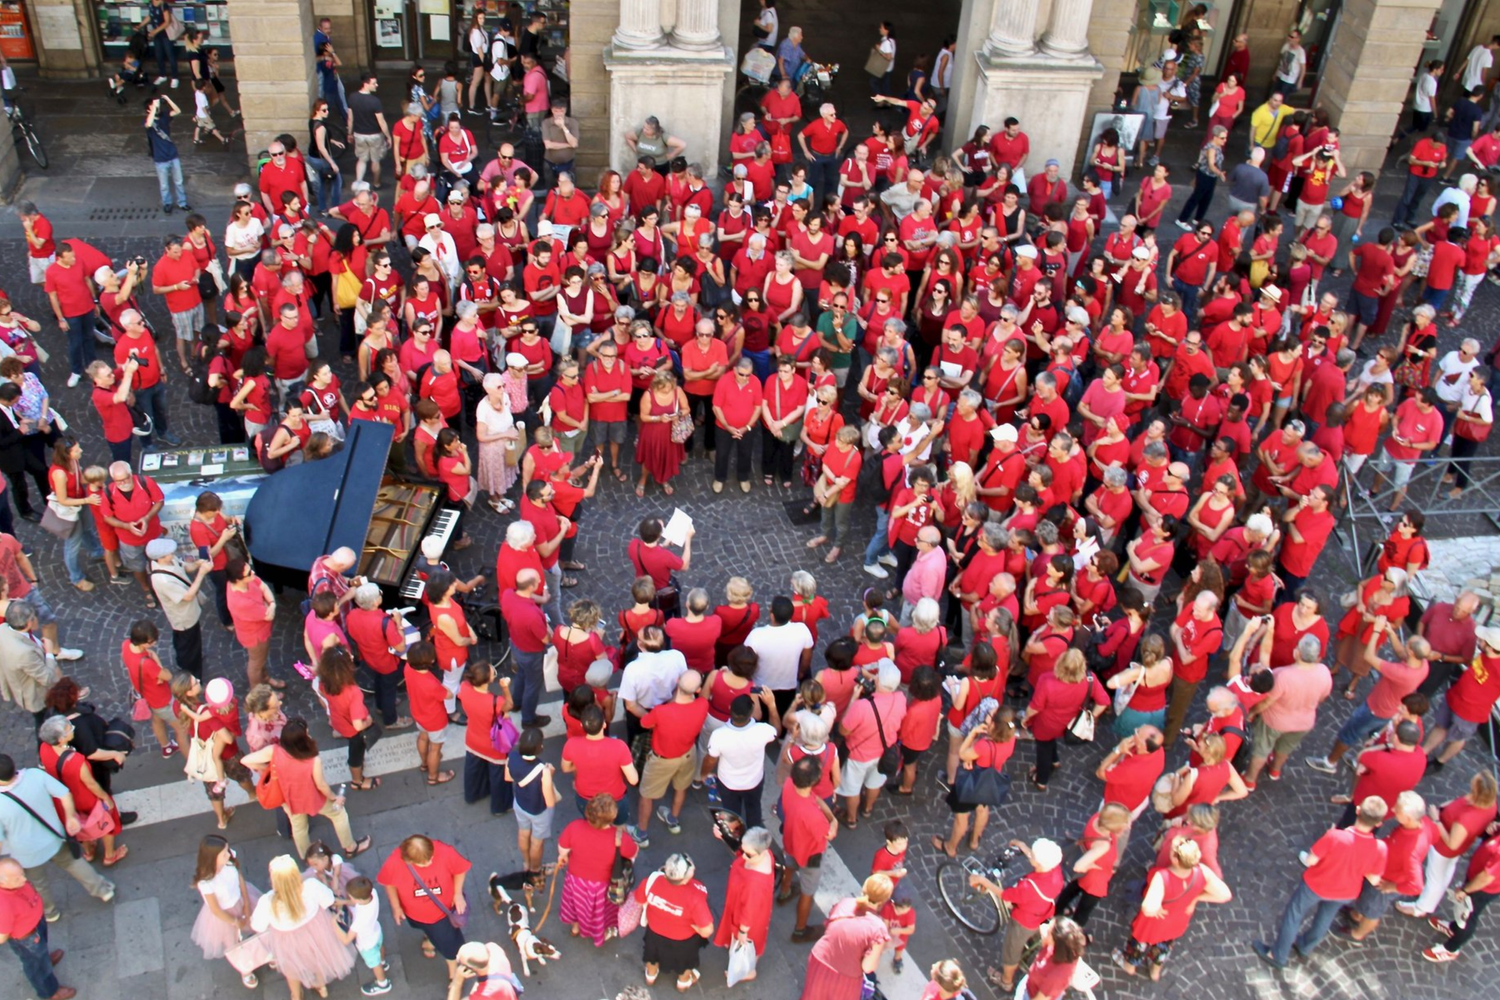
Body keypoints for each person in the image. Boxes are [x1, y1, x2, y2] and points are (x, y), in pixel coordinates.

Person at [1254, 797, 1390, 968]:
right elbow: (1374, 879)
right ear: (1379, 823)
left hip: (1317, 884)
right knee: (1325, 917)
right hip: (1346, 891)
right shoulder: (1380, 848)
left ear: (1357, 811)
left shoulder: (1335, 836)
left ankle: (1278, 955)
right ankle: (1305, 946)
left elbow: (1310, 861)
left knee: (1294, 914)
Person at [0, 754, 115, 920]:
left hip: (26, 854)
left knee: (40, 884)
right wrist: (70, 817)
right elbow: (64, 793)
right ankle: (103, 890)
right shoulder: (35, 775)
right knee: (75, 864)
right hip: (54, 837)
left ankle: (50, 912)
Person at [243, 716, 372, 859]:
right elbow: (321, 786)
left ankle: (308, 858)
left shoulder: (274, 751)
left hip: (289, 799)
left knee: (299, 828)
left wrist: (268, 769)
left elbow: (246, 760)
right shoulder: (312, 760)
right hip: (312, 798)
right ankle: (350, 847)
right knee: (338, 814)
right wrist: (335, 798)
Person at [1113, 836, 1232, 981]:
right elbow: (1225, 895)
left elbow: (1148, 907)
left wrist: (1157, 909)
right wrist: (1196, 897)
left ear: (1175, 859)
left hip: (1152, 924)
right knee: (1164, 945)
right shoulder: (1202, 872)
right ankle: (1155, 971)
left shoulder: (1162, 877)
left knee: (1139, 945)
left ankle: (1130, 966)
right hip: (1177, 921)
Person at [251, 854, 356, 1000]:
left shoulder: (268, 902)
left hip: (286, 940)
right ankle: (321, 986)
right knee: (319, 958)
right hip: (317, 931)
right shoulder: (311, 886)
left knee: (291, 967)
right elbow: (329, 900)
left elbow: (258, 925)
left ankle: (296, 994)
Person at [967, 838, 1064, 992]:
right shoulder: (1055, 871)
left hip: (1024, 921)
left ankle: (1006, 981)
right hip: (1044, 913)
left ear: (1037, 863)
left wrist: (983, 881)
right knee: (1033, 940)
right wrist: (1024, 847)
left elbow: (1005, 894)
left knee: (1011, 950)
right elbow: (1037, 860)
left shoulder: (1027, 887)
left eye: (1031, 854)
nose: (1030, 855)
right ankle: (1028, 955)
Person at [377, 834, 470, 977]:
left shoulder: (444, 851)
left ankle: (453, 975)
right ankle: (429, 938)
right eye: (424, 863)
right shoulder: (394, 862)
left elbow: (460, 869)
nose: (430, 862)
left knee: (451, 948)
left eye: (431, 858)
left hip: (442, 915)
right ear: (409, 860)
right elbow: (389, 883)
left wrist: (457, 894)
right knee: (423, 927)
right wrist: (396, 907)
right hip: (414, 914)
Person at [636, 670, 709, 842]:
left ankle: (641, 834)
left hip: (662, 760)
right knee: (681, 788)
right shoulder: (703, 705)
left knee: (646, 796)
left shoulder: (661, 711)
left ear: (677, 681)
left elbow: (644, 722)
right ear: (698, 690)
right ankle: (673, 820)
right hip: (687, 755)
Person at [557, 793, 639, 946]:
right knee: (598, 912)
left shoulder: (574, 827)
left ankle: (576, 927)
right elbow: (633, 854)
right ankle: (597, 933)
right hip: (602, 884)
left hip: (576, 880)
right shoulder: (620, 838)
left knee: (576, 904)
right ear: (612, 816)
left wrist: (564, 857)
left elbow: (562, 849)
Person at [798, 873, 892, 1000]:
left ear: (864, 888)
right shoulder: (878, 928)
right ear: (883, 901)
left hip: (820, 962)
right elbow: (868, 966)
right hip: (846, 978)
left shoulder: (845, 903)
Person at [837, 660, 906, 828]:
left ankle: (851, 819)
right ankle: (867, 809)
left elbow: (843, 730)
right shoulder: (901, 699)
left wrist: (853, 699)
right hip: (884, 752)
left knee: (852, 788)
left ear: (877, 680)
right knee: (875, 783)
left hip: (858, 755)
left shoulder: (861, 706)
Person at [633, 852, 714, 991]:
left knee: (651, 955)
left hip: (654, 932)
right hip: (684, 940)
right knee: (685, 963)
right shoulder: (696, 895)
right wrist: (695, 928)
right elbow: (707, 930)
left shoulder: (650, 881)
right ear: (683, 880)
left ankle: (650, 976)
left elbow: (639, 900)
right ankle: (683, 984)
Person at [0, 857, 78, 1000]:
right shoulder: (3, 904)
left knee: (40, 955)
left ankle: (44, 960)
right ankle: (50, 992)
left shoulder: (14, 884)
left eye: (22, 874)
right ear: (2, 882)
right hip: (27, 938)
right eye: (17, 879)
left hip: (36, 924)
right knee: (36, 967)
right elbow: (2, 935)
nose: (23, 879)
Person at [702, 694, 779, 829]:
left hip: (728, 783)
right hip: (754, 781)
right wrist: (771, 706)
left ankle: (735, 842)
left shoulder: (719, 735)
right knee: (754, 809)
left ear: (730, 708)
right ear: (751, 712)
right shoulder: (762, 730)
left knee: (731, 814)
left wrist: (704, 774)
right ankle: (753, 842)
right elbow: (776, 730)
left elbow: (710, 759)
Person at [713, 825, 775, 979]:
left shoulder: (755, 882)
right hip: (746, 908)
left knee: (747, 943)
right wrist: (724, 837)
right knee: (751, 942)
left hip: (744, 914)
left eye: (748, 854)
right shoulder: (765, 855)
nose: (743, 856)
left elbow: (749, 910)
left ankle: (747, 971)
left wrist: (742, 931)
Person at [146, 537, 209, 680]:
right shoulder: (163, 580)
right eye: (169, 553)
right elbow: (188, 596)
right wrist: (202, 573)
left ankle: (186, 661)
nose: (173, 554)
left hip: (187, 613)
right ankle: (192, 674)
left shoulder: (169, 560)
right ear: (161, 558)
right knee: (188, 643)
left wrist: (198, 563)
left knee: (187, 641)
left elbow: (185, 567)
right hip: (183, 616)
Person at [503, 727, 558, 886]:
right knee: (537, 842)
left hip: (520, 803)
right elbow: (549, 801)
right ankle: (535, 869)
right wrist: (551, 775)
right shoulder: (543, 770)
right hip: (538, 810)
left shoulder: (512, 756)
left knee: (523, 833)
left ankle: (526, 863)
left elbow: (508, 777)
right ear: (540, 748)